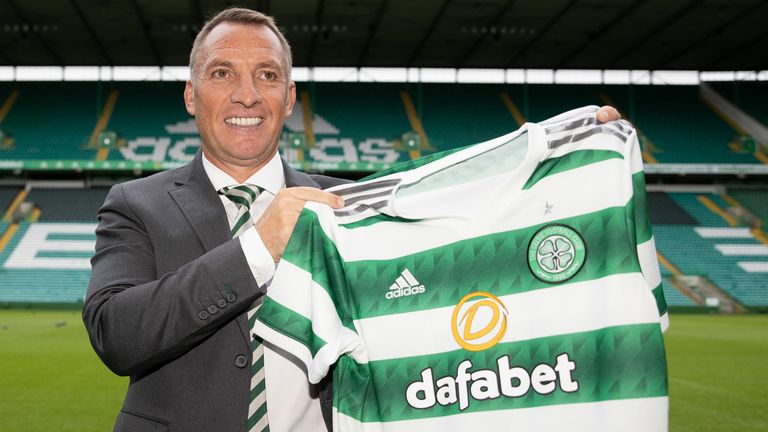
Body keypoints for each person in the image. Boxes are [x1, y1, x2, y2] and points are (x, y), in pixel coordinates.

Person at [83, 6, 623, 432]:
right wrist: (258, 248)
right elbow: (118, 335)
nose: (247, 94)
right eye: (222, 73)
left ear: (289, 97)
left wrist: (558, 159)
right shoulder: (136, 203)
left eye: (267, 75)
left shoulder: (350, 205)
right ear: (191, 94)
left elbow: (458, 225)